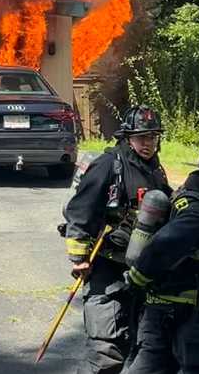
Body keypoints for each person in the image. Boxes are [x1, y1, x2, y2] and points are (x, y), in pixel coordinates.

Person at [62, 105, 172, 374]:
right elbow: (79, 210)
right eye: (142, 137)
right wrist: (79, 259)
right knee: (106, 349)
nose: (148, 143)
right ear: (127, 137)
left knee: (140, 343)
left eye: (153, 137)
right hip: (107, 266)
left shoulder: (155, 169)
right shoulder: (108, 165)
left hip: (143, 271)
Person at [124, 141, 199, 374]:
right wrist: (138, 278)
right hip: (189, 318)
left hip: (165, 314)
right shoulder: (197, 212)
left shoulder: (194, 198)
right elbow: (163, 246)